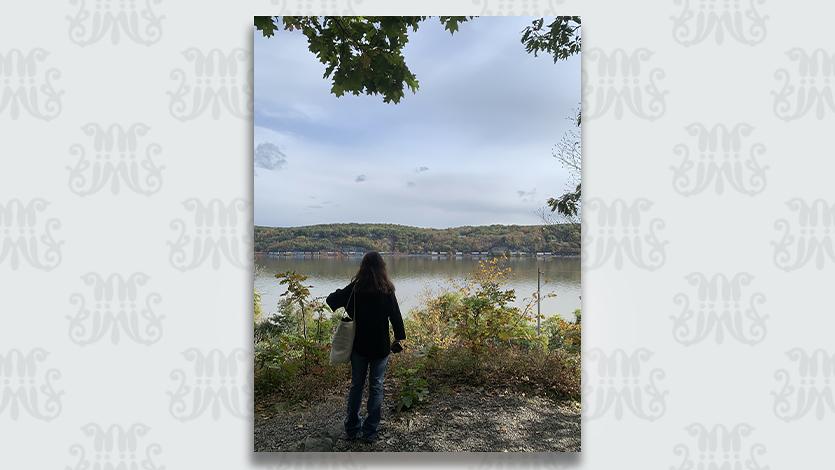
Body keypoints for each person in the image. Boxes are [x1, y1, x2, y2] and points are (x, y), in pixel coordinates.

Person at [326, 251, 406, 443]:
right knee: (376, 386)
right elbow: (396, 317)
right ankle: (370, 431)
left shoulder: (356, 288)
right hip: (380, 347)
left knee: (357, 386)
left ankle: (352, 430)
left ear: (362, 267)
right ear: (382, 268)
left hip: (359, 347)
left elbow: (331, 300)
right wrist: (399, 338)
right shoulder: (387, 289)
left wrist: (343, 297)